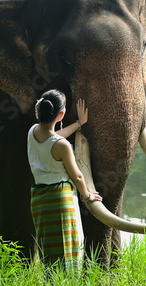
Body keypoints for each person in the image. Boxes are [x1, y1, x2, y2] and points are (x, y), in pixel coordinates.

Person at [27, 89, 102, 271]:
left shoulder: (32, 132)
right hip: (60, 200)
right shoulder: (63, 146)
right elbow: (76, 175)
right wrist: (87, 195)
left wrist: (78, 124)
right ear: (61, 115)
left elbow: (52, 139)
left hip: (39, 199)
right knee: (68, 247)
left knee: (49, 249)